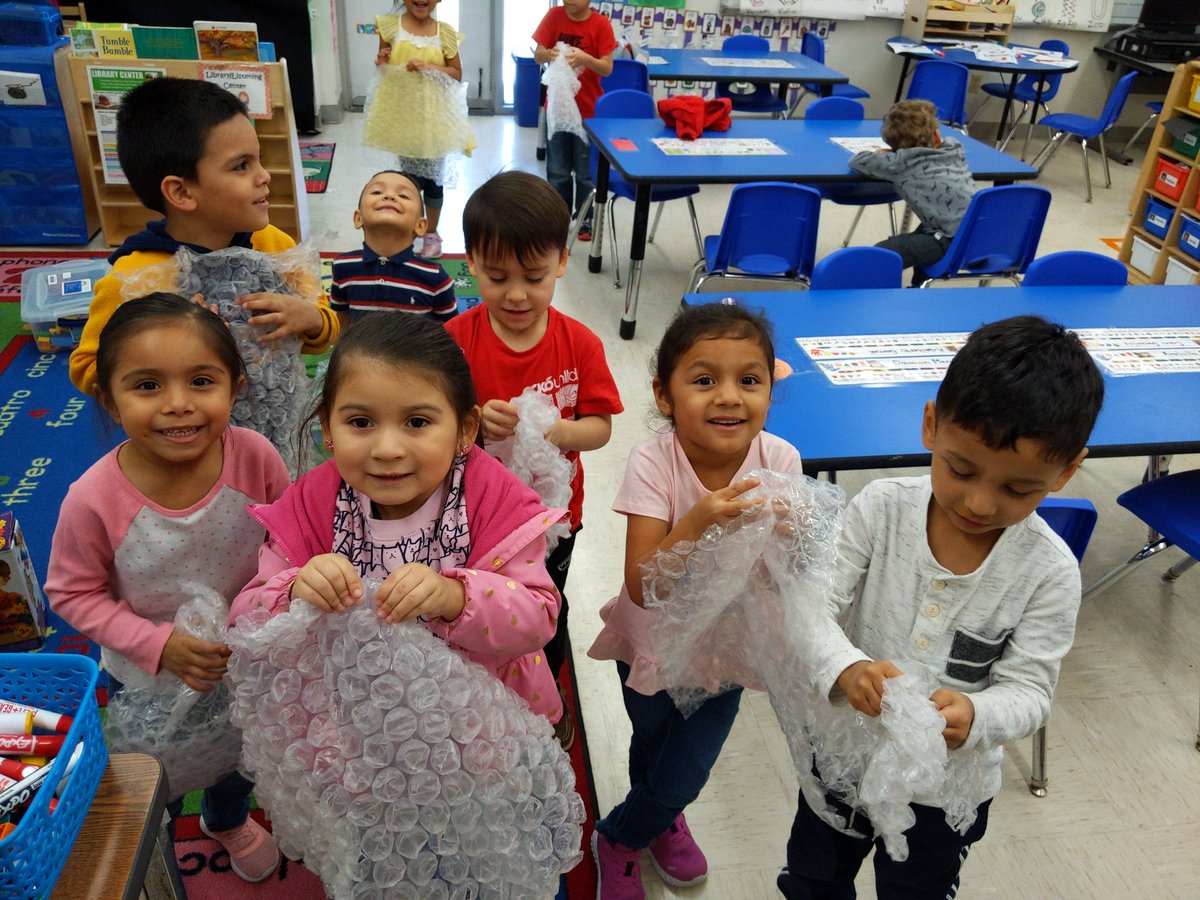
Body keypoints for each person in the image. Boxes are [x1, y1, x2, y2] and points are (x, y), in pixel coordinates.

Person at [778, 315, 1105, 900]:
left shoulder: (1050, 572)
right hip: (845, 756)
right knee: (813, 877)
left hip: (944, 788)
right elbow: (808, 609)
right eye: (961, 469)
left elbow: (1031, 692)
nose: (980, 502)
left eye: (1018, 488)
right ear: (931, 424)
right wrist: (846, 666)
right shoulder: (880, 509)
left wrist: (978, 716)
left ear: (1068, 469)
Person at [46, 293, 291, 885]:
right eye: (147, 386)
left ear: (234, 388)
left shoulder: (254, 456)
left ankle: (226, 819)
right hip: (147, 672)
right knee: (154, 766)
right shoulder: (94, 498)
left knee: (240, 753)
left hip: (246, 656)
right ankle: (154, 826)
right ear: (109, 397)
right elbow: (72, 594)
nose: (178, 405)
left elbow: (289, 540)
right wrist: (157, 645)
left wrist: (269, 606)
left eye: (201, 381)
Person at [229, 313, 567, 725]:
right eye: (361, 422)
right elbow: (245, 616)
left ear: (464, 428)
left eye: (417, 422)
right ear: (327, 427)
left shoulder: (493, 500)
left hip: (476, 723)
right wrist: (296, 589)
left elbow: (538, 617)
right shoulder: (311, 505)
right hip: (359, 725)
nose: (387, 448)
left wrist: (454, 598)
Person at [586, 303, 801, 899]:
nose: (729, 397)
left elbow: (797, 568)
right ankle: (658, 816)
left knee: (690, 762)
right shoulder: (654, 461)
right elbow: (642, 584)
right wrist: (699, 521)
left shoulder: (779, 460)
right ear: (665, 394)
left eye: (748, 381)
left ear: (768, 389)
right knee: (653, 742)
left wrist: (792, 534)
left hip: (726, 649)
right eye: (705, 380)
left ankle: (624, 834)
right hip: (651, 643)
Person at [446, 171, 622, 750]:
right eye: (498, 278)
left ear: (563, 263)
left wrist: (556, 429)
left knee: (543, 610)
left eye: (534, 277)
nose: (517, 295)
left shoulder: (579, 343)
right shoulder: (456, 340)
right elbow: (427, 419)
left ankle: (548, 695)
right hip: (473, 514)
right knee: (478, 608)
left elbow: (600, 427)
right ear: (471, 263)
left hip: (553, 520)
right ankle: (481, 695)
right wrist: (471, 422)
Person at [68, 77, 338, 398]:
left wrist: (311, 321)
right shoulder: (133, 279)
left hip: (275, 431)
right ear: (181, 191)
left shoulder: (274, 246)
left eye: (259, 159)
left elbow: (324, 326)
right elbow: (86, 368)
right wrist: (165, 349)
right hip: (187, 438)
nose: (264, 176)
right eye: (241, 166)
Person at [362, 0, 477, 260]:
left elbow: (456, 73)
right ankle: (413, 226)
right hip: (405, 119)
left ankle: (431, 233)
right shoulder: (390, 27)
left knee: (434, 181)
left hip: (435, 118)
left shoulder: (444, 32)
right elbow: (384, 67)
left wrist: (430, 68)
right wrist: (382, 61)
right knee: (409, 181)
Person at [848, 99, 976, 287]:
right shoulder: (953, 148)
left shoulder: (899, 163)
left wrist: (889, 153)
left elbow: (857, 161)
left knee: (884, 252)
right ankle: (918, 288)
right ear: (936, 134)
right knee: (924, 234)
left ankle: (876, 296)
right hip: (977, 229)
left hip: (951, 239)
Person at [329, 169, 457, 329]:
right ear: (358, 218)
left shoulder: (435, 277)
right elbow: (342, 321)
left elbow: (451, 332)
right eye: (377, 192)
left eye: (403, 195)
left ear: (421, 226)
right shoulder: (343, 266)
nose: (389, 196)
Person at [533, 0, 617, 240]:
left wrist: (584, 58)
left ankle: (585, 218)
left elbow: (607, 68)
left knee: (585, 172)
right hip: (557, 110)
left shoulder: (600, 24)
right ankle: (558, 217)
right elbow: (538, 56)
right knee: (557, 169)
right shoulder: (554, 16)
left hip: (588, 113)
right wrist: (549, 53)